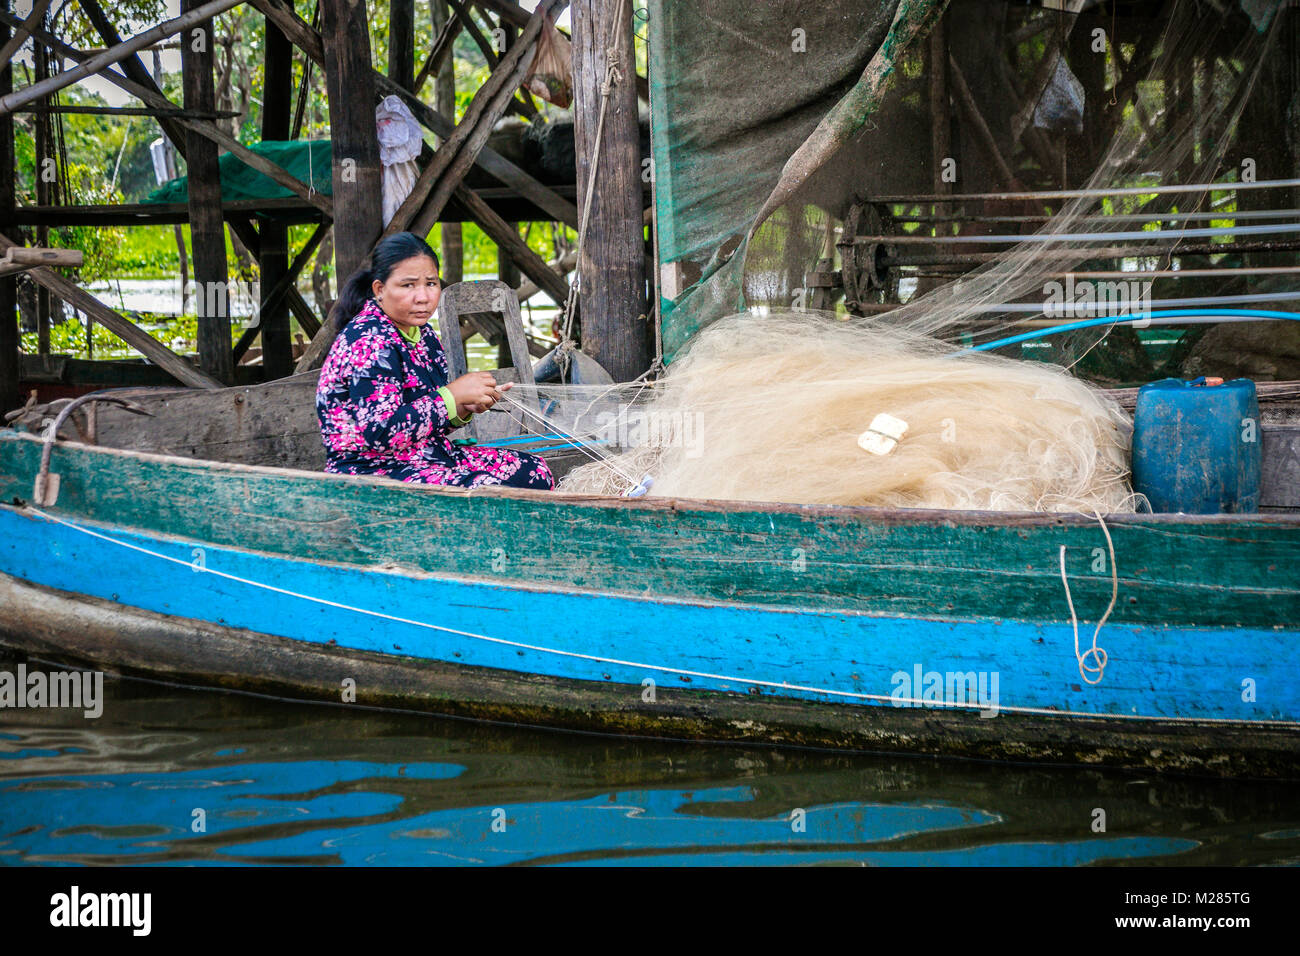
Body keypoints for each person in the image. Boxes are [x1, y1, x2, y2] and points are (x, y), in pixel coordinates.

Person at [316, 232, 554, 489]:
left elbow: (430, 420)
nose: (423, 297)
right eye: (408, 285)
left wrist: (465, 406)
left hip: (427, 455)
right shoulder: (368, 340)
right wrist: (451, 396)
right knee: (487, 490)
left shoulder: (425, 336)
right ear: (380, 290)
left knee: (535, 472)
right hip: (371, 469)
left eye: (430, 283)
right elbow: (380, 433)